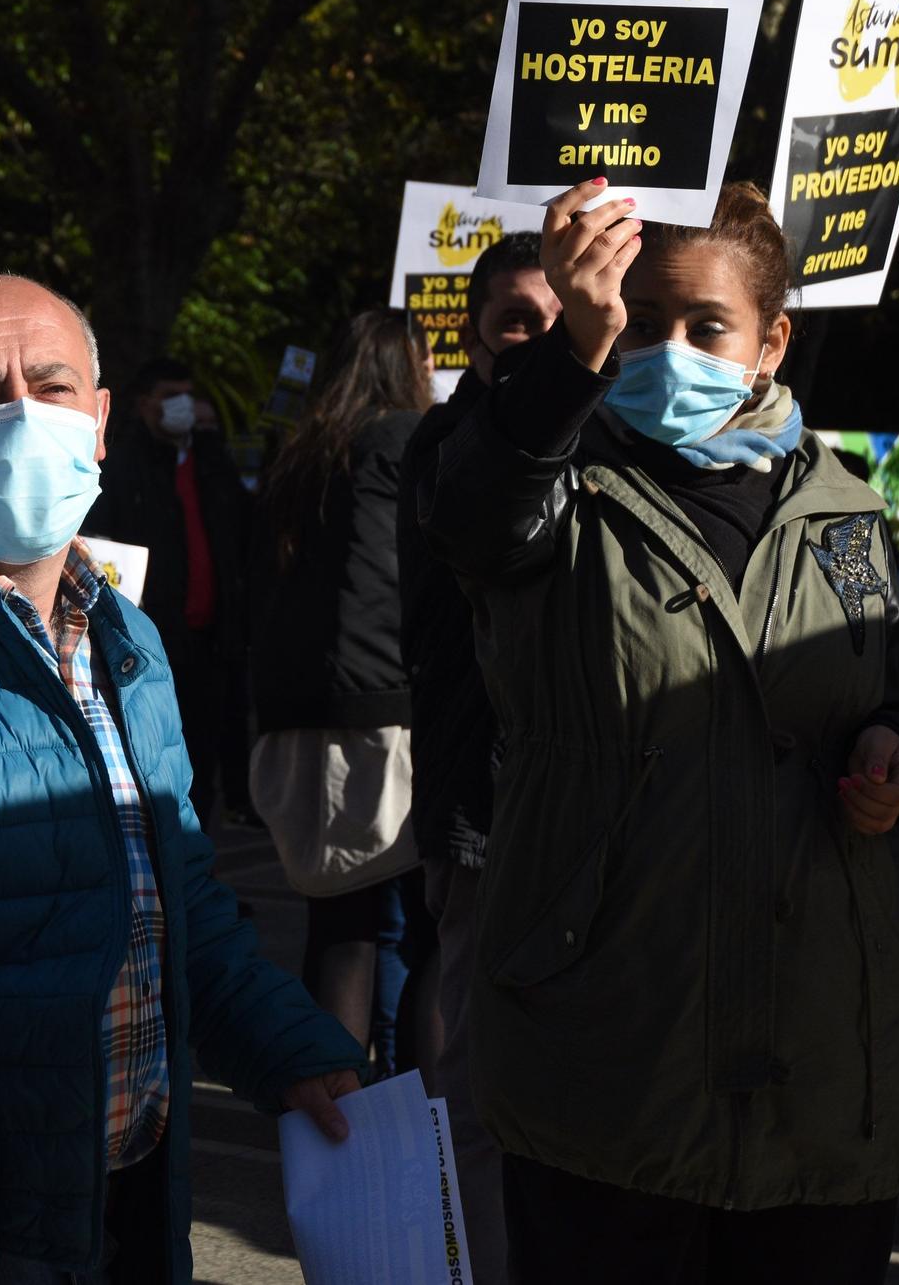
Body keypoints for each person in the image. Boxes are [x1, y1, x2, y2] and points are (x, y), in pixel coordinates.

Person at [0, 273, 365, 1284]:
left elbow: (178, 891)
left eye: (48, 386)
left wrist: (286, 1045)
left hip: (124, 1209)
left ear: (97, 423)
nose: (16, 412)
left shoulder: (126, 635)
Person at [420, 179, 899, 1282]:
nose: (669, 350)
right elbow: (471, 514)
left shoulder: (842, 501)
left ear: (769, 342)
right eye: (642, 320)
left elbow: (882, 682)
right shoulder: (552, 480)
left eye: (704, 325)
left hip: (817, 1067)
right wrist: (570, 348)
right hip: (611, 1055)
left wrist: (898, 748)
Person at [396, 229, 559, 1280]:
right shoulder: (450, 449)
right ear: (471, 333)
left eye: (563, 320)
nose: (542, 341)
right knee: (476, 1086)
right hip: (484, 809)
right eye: (516, 323)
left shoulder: (615, 440)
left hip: (602, 816)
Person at [249, 309, 433, 1067]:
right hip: (384, 708)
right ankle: (424, 1123)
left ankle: (336, 1118)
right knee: (425, 936)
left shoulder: (303, 452)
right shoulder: (403, 439)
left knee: (341, 929)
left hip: (296, 710)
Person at [84, 356, 251, 825]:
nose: (183, 407)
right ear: (142, 406)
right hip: (156, 641)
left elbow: (240, 530)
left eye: (188, 395)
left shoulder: (210, 462)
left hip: (214, 638)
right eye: (170, 397)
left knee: (208, 759)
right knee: (163, 766)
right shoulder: (123, 469)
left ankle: (205, 872)